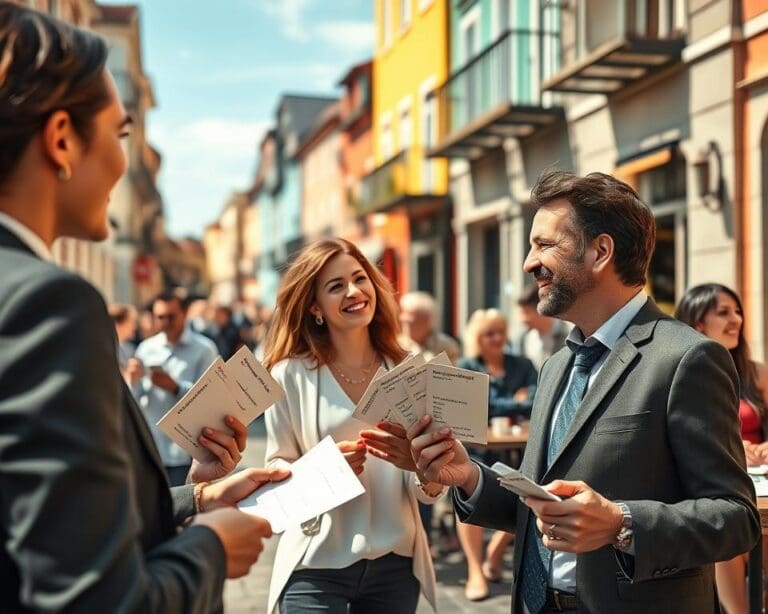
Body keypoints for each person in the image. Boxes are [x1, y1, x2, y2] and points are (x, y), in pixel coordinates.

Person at [0, 5, 287, 609]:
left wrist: (195, 501)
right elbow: (93, 600)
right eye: (120, 133)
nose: (123, 160)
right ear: (60, 141)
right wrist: (211, 546)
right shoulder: (44, 302)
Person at [409, 170, 760, 613]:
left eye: (545, 244)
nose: (528, 263)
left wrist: (621, 523)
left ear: (601, 251)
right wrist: (471, 477)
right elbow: (542, 500)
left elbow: (735, 518)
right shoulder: (557, 366)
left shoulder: (688, 358)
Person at [263, 238, 444, 614]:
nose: (354, 291)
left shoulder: (408, 369)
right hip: (315, 562)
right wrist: (323, 472)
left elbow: (428, 489)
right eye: (335, 286)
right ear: (315, 307)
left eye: (359, 278)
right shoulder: (288, 376)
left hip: (395, 563)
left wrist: (427, 470)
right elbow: (273, 478)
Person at [675, 283, 768, 614]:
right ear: (698, 321)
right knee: (727, 531)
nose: (737, 319)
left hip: (761, 485)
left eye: (738, 311)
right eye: (724, 312)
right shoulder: (679, 370)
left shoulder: (756, 372)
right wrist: (733, 447)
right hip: (715, 490)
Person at [456, 308, 538, 600]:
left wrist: (500, 401)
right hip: (479, 449)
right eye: (489, 333)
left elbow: (537, 399)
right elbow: (481, 407)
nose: (497, 338)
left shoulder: (522, 363)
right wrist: (514, 402)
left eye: (501, 331)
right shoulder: (467, 366)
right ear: (477, 337)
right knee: (467, 494)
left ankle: (497, 549)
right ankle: (475, 571)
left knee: (529, 493)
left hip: (520, 448)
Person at [128, 289, 221, 486]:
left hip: (186, 451)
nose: (165, 322)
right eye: (160, 317)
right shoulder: (146, 348)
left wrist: (175, 388)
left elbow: (211, 400)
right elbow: (137, 400)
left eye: (171, 316)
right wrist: (134, 382)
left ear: (185, 314)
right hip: (152, 448)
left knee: (183, 509)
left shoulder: (204, 349)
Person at [513, 282, 570, 370]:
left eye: (526, 312)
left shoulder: (570, 334)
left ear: (541, 308)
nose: (523, 319)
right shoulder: (524, 339)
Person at [398, 290, 461, 364]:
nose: (404, 319)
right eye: (404, 313)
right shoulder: (396, 345)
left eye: (412, 316)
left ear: (428, 320)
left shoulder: (446, 346)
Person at [108, 301, 138, 371]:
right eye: (131, 322)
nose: (134, 326)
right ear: (117, 323)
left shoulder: (128, 348)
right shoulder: (106, 349)